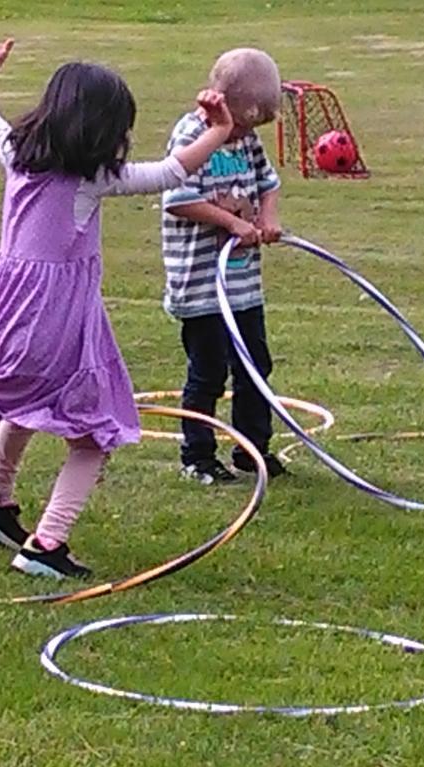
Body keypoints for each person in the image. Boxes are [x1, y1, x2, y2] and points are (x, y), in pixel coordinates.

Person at [0, 23, 234, 578]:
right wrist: (219, 129)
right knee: (98, 428)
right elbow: (171, 172)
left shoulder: (16, 155)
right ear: (104, 132)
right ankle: (46, 545)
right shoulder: (92, 179)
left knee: (27, 401)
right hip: (57, 323)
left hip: (8, 319)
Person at [161, 48, 287, 485]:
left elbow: (269, 182)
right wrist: (233, 222)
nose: (248, 134)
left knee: (256, 367)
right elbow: (177, 199)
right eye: (246, 122)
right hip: (200, 286)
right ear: (225, 104)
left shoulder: (247, 140)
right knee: (208, 372)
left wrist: (267, 219)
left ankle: (252, 449)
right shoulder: (192, 134)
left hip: (243, 285)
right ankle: (197, 454)